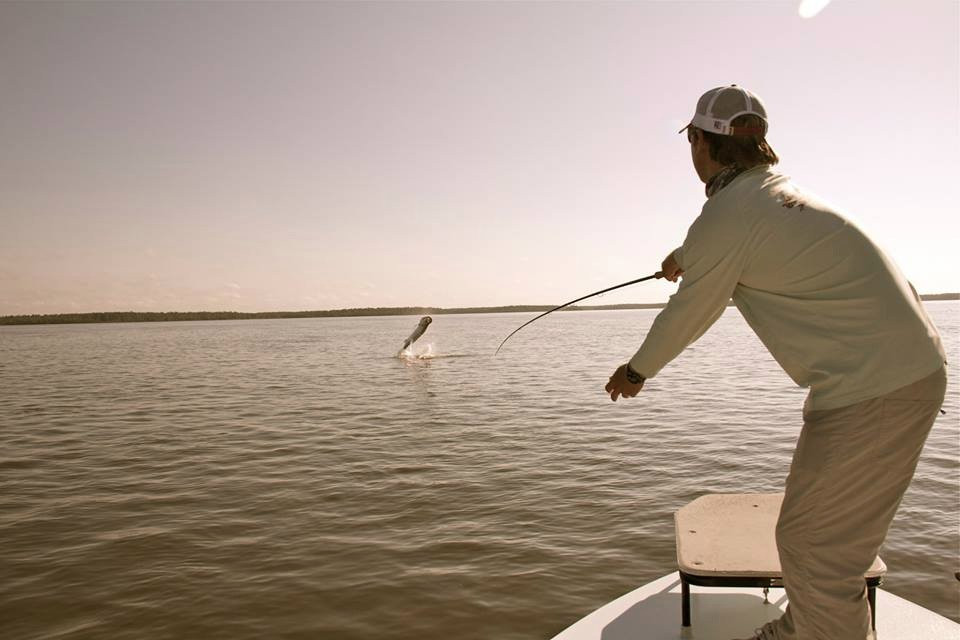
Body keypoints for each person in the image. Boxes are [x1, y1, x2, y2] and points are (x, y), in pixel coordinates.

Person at [604, 85, 947, 640]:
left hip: (875, 386)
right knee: (818, 537)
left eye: (691, 139)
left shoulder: (730, 216)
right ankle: (808, 629)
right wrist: (683, 256)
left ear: (701, 141)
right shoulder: (772, 195)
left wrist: (637, 370)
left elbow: (691, 310)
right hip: (891, 374)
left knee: (817, 544)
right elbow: (737, 237)